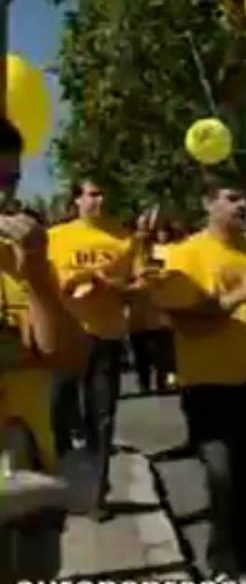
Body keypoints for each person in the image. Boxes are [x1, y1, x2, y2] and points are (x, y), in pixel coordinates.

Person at [150, 169, 246, 584]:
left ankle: (244, 554)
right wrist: (235, 297)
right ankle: (225, 566)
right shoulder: (187, 254)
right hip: (209, 383)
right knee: (223, 475)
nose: (239, 207)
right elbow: (184, 320)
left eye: (243, 199)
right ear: (208, 203)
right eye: (231, 198)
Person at [0, 119, 76, 584]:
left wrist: (40, 277)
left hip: (27, 476)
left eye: (9, 181)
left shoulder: (23, 257)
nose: (4, 196)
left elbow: (64, 354)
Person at [47, 178, 138, 519]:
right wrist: (70, 284)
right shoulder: (56, 238)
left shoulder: (123, 238)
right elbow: (41, 284)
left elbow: (135, 286)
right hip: (66, 337)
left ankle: (95, 494)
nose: (98, 200)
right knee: (59, 413)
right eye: (92, 194)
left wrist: (106, 283)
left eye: (102, 194)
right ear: (77, 200)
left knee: (101, 418)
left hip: (107, 337)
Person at [128, 211, 174, 394]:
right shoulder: (129, 249)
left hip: (158, 308)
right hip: (136, 309)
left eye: (147, 228)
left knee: (161, 348)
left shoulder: (161, 249)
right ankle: (144, 381)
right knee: (140, 349)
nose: (144, 232)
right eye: (140, 227)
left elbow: (167, 271)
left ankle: (163, 380)